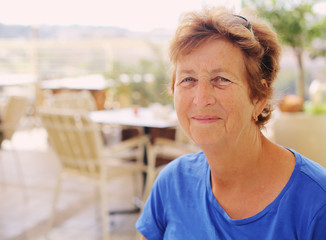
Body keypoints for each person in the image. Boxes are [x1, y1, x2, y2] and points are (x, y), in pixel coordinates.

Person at [136, 6, 326, 239]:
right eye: (188, 79)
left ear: (258, 98)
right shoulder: (172, 182)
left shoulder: (316, 202)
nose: (201, 99)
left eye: (221, 79)